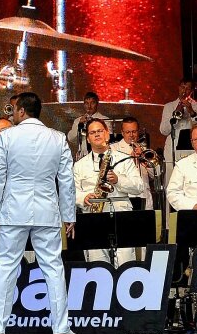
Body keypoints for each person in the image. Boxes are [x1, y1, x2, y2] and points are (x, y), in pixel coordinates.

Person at [0, 92, 77, 334]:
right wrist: (69, 215)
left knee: (5, 267)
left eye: (13, 109)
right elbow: (66, 181)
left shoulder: (8, 136)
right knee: (54, 268)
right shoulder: (58, 138)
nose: (12, 113)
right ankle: (61, 327)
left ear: (21, 111)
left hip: (13, 210)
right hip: (47, 211)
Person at [74, 119, 144, 266]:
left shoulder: (124, 159)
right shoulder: (80, 165)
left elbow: (139, 186)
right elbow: (71, 192)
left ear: (107, 134)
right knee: (97, 262)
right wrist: (83, 197)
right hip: (93, 215)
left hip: (121, 213)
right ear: (88, 138)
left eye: (100, 131)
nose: (97, 135)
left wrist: (118, 180)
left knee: (126, 260)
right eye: (92, 132)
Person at [110, 117, 158, 211]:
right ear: (122, 132)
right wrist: (130, 159)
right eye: (128, 132)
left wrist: (143, 159)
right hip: (125, 198)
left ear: (138, 131)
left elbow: (155, 175)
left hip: (145, 197)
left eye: (134, 131)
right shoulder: (113, 149)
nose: (131, 135)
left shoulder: (145, 150)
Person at [159, 80, 197, 176]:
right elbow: (163, 131)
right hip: (172, 149)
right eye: (182, 87)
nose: (184, 90)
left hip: (191, 149)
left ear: (191, 91)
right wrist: (175, 116)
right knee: (171, 178)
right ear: (178, 87)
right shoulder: (169, 106)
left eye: (187, 88)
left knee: (191, 176)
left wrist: (192, 112)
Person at [67, 91, 108, 156]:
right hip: (83, 156)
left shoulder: (105, 120)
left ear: (97, 104)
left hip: (100, 154)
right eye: (86, 103)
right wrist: (80, 125)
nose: (89, 106)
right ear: (84, 105)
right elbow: (71, 139)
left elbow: (108, 139)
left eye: (92, 103)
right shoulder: (78, 120)